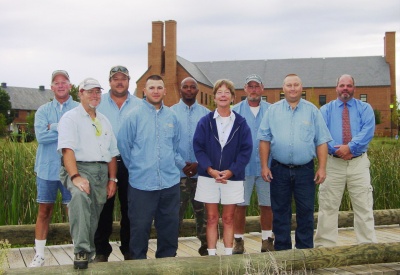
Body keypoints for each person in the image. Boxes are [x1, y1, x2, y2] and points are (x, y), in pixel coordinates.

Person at [257, 74, 332, 251]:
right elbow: (264, 140)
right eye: (289, 85)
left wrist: (322, 168)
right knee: (280, 212)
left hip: (305, 170)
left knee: (305, 213)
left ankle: (304, 253)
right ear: (283, 88)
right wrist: (264, 166)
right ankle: (283, 253)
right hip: (278, 169)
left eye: (296, 85)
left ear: (301, 87)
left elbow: (321, 141)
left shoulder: (312, 111)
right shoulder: (273, 111)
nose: (292, 88)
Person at [117, 75, 186, 260]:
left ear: (165, 91)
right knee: (139, 230)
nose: (155, 91)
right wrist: (138, 169)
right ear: (144, 91)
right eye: (152, 88)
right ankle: (138, 267)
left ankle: (166, 266)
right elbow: (124, 146)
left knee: (169, 230)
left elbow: (175, 146)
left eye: (159, 87)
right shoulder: (133, 116)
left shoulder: (172, 116)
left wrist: (180, 166)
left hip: (170, 184)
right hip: (141, 185)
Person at [58, 77, 119, 269]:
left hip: (101, 172)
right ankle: (81, 251)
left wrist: (112, 179)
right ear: (80, 93)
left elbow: (111, 154)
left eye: (97, 91)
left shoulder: (104, 120)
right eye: (90, 91)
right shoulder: (70, 118)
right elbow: (68, 150)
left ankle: (89, 254)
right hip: (79, 167)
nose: (94, 95)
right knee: (79, 198)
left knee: (94, 215)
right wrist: (75, 176)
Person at [314, 74, 377, 247]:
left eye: (349, 86)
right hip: (333, 164)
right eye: (342, 85)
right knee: (328, 207)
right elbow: (322, 134)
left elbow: (368, 131)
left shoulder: (365, 109)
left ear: (354, 88)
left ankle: (367, 246)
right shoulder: (325, 110)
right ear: (336, 88)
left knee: (364, 206)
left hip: (358, 163)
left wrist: (350, 147)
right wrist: (339, 150)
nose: (345, 89)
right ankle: (325, 246)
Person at [193, 79, 252, 256]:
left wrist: (231, 171)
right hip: (208, 176)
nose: (223, 95)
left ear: (233, 97)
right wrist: (210, 170)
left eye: (227, 92)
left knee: (228, 218)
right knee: (211, 218)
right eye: (219, 92)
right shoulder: (205, 121)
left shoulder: (241, 123)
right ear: (214, 97)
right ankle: (212, 256)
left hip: (232, 178)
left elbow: (245, 150)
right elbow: (198, 147)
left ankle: (228, 257)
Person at [29, 70, 79, 267]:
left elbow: (79, 136)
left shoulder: (78, 108)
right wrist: (65, 128)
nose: (60, 85)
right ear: (51, 87)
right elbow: (41, 137)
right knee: (44, 211)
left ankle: (78, 250)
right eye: (56, 82)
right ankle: (39, 254)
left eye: (64, 82)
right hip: (46, 169)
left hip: (72, 170)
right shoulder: (42, 110)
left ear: (70, 85)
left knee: (74, 212)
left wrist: (54, 126)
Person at [93, 65, 141, 262]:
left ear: (129, 81)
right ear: (109, 81)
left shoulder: (140, 104)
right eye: (115, 79)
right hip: (105, 163)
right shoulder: (97, 103)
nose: (119, 82)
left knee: (130, 209)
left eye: (123, 78)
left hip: (131, 163)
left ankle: (129, 249)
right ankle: (102, 251)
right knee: (103, 208)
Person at [231, 74, 274, 254]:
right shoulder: (236, 111)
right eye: (250, 86)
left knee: (267, 204)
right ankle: (238, 241)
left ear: (262, 89)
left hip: (267, 166)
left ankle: (266, 239)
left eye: (257, 86)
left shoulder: (271, 110)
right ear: (245, 88)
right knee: (240, 206)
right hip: (243, 167)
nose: (254, 90)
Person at [171, 77, 210, 256]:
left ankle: (206, 249)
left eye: (192, 87)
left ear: (197, 90)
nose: (188, 90)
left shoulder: (207, 114)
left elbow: (212, 145)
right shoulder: (170, 113)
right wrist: (182, 164)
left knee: (205, 216)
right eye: (185, 87)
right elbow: (167, 144)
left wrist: (199, 164)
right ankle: (170, 251)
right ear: (180, 89)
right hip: (177, 175)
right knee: (174, 216)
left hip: (201, 175)